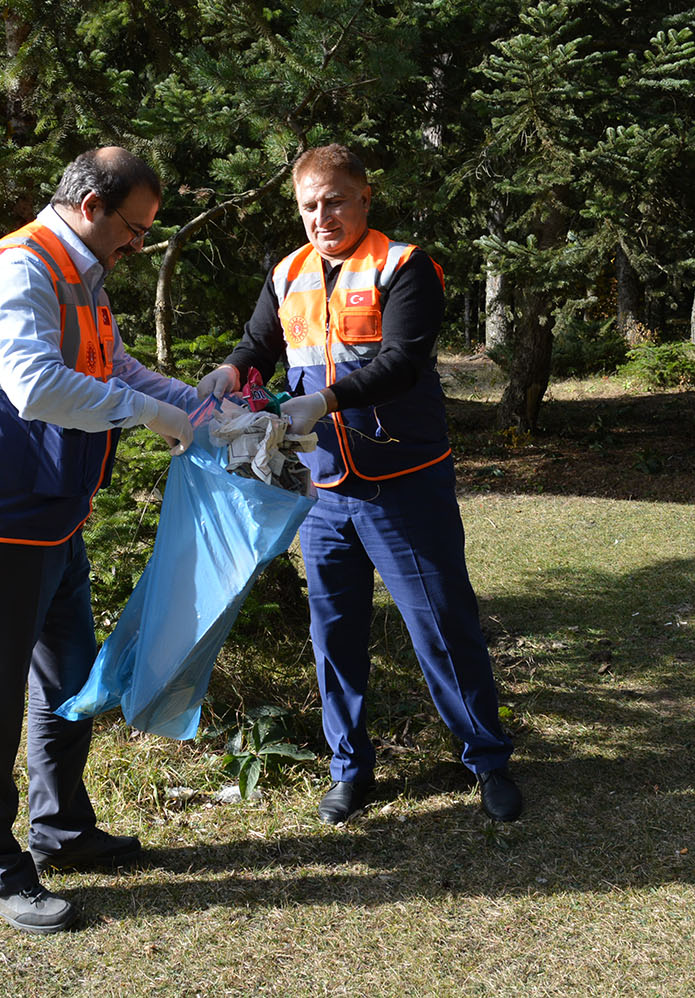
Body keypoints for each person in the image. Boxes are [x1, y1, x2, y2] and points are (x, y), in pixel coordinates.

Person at [197, 144, 523, 826]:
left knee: (442, 626)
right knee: (333, 633)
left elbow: (404, 362)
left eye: (335, 200)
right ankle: (351, 770)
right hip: (322, 491)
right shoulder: (287, 272)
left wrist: (324, 401)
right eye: (309, 206)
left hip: (403, 481)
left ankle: (487, 759)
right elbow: (259, 346)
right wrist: (230, 372)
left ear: (364, 197)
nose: (323, 216)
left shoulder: (403, 267)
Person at [0, 147, 197, 935]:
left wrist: (196, 407)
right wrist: (150, 417)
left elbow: (113, 365)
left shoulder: (83, 274)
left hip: (54, 520)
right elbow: (37, 386)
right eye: (134, 228)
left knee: (72, 683)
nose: (139, 245)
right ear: (89, 205)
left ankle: (63, 831)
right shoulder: (19, 268)